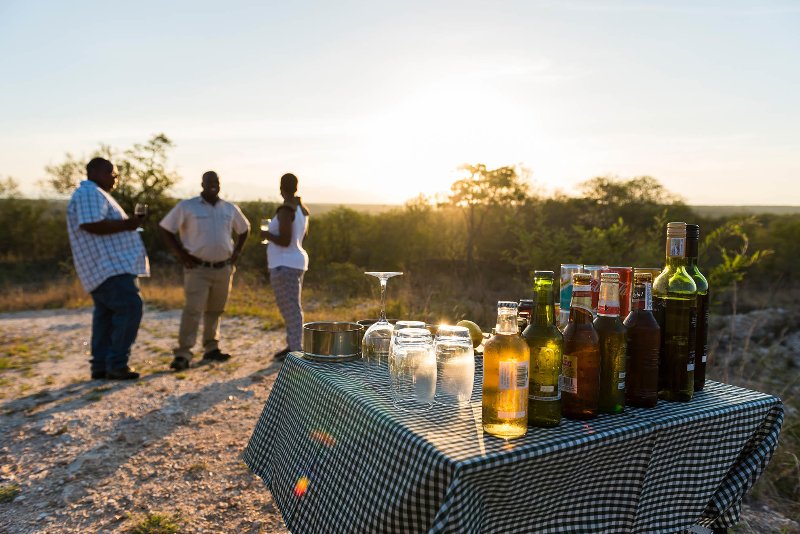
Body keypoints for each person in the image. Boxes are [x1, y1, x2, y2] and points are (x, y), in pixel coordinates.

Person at [66, 157, 149, 380]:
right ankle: (116, 364)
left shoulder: (95, 193)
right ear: (95, 172)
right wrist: (128, 224)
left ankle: (101, 366)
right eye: (111, 174)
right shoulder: (89, 193)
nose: (115, 178)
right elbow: (91, 224)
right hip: (108, 267)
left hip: (105, 268)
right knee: (131, 306)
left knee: (105, 315)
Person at [159, 171, 250, 371]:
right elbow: (166, 228)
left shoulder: (229, 208)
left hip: (223, 268)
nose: (213, 184)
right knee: (193, 310)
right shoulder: (187, 206)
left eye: (216, 181)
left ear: (220, 184)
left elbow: (244, 229)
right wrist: (181, 255)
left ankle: (211, 347)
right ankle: (183, 353)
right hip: (198, 268)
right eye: (209, 181)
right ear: (202, 183)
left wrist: (236, 254)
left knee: (215, 310)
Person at [262, 173, 309, 360]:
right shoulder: (302, 210)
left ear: (281, 187)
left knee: (290, 308)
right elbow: (302, 237)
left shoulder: (284, 210)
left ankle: (296, 350)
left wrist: (266, 235)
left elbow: (284, 239)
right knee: (292, 307)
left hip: (284, 264)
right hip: (297, 261)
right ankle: (292, 345)